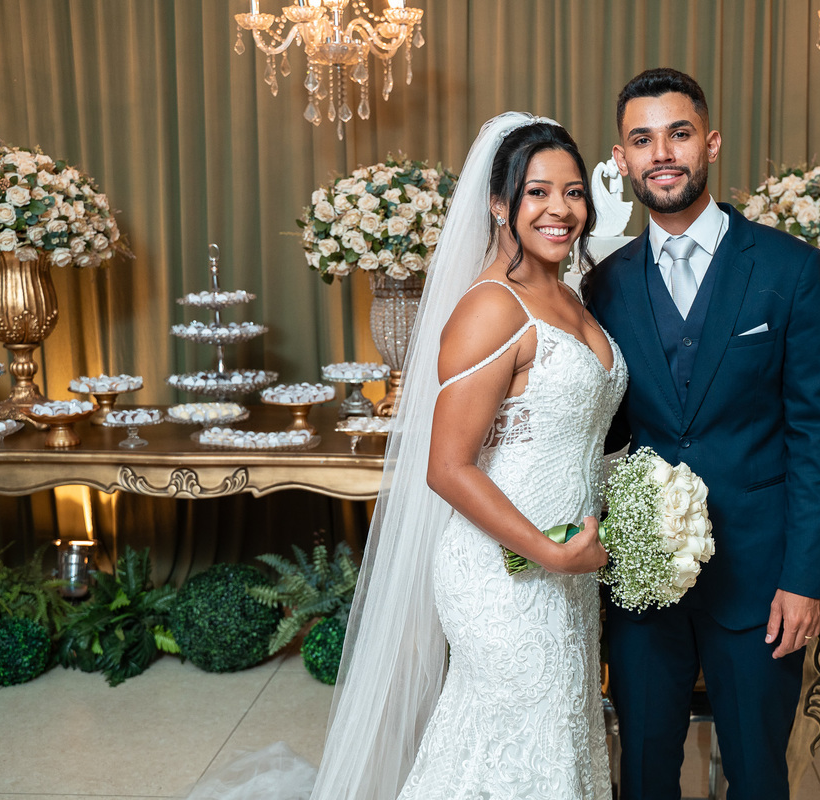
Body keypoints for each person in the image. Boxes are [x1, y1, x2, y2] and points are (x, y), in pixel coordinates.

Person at [187, 114, 623, 800]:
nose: (560, 209)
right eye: (538, 192)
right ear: (499, 203)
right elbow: (446, 468)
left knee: (543, 742)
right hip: (503, 574)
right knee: (522, 749)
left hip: (567, 564)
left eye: (573, 192)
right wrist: (547, 551)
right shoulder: (490, 307)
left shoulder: (567, 297)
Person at [583, 68, 820, 799]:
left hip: (762, 576)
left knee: (759, 774)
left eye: (679, 133)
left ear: (712, 142)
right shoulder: (602, 283)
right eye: (642, 139)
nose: (661, 153)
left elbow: (818, 432)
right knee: (643, 771)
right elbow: (599, 432)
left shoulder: (789, 269)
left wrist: (803, 578)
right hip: (641, 578)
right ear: (623, 158)